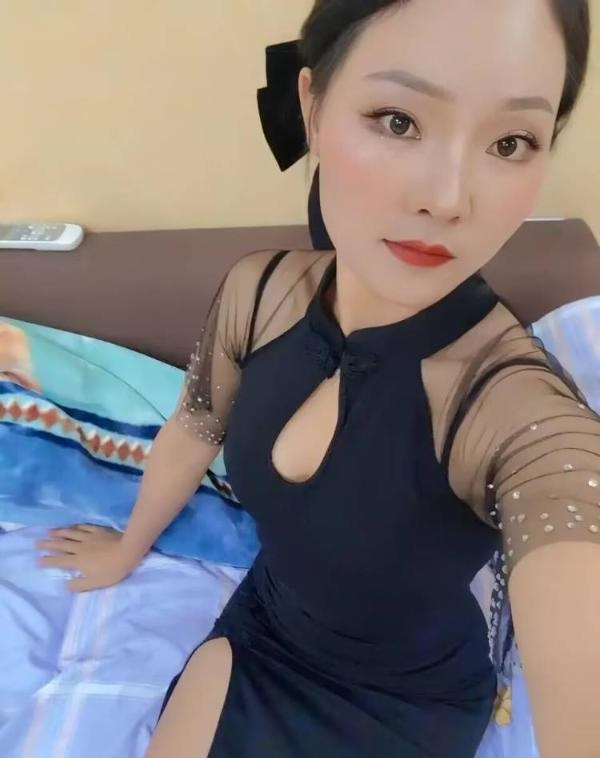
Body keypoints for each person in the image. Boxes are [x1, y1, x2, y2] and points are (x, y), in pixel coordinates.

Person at [36, 1, 599, 756]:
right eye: (399, 121)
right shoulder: (260, 293)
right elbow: (196, 425)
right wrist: (127, 549)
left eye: (510, 142)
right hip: (266, 628)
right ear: (312, 106)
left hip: (410, 700)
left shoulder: (515, 408)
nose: (448, 198)